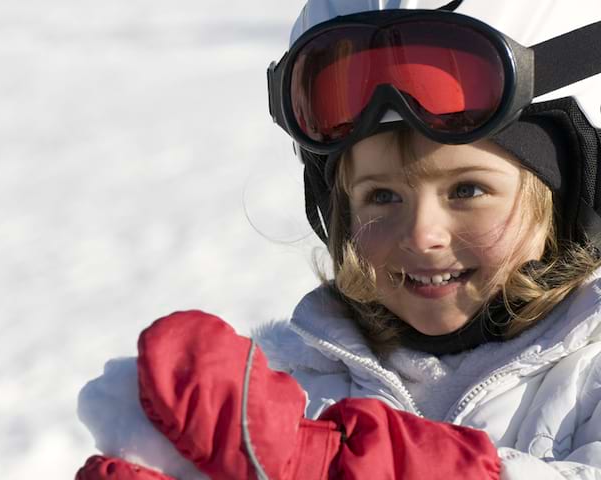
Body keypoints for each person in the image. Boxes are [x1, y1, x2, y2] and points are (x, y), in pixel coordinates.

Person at [75, 0, 601, 478]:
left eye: (467, 189)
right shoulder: (294, 387)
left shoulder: (589, 376)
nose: (422, 233)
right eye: (382, 197)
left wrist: (338, 465)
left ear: (571, 197)